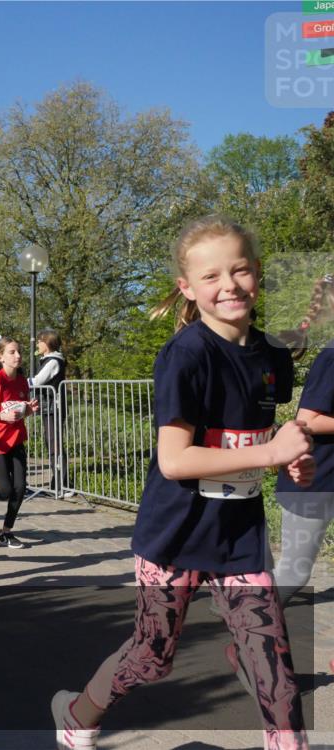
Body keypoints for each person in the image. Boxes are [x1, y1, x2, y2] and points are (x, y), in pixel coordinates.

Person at [52, 215, 314, 750]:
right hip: (174, 535)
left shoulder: (270, 357)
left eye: (240, 270)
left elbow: (256, 436)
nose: (229, 285)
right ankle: (78, 714)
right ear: (188, 289)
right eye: (212, 276)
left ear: (258, 273)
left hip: (238, 537)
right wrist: (271, 454)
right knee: (151, 656)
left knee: (271, 657)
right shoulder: (186, 356)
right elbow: (174, 460)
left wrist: (290, 461)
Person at [272, 274, 334, 606]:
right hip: (312, 480)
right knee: (294, 574)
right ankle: (242, 613)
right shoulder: (332, 356)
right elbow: (309, 419)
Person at [0, 338, 40, 548]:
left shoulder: (22, 381)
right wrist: (3, 417)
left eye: (19, 352)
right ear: (1, 357)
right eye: (12, 352)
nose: (18, 356)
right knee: (5, 490)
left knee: (20, 488)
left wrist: (28, 410)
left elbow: (19, 410)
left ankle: (6, 532)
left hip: (17, 439)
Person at [29, 330, 68, 496]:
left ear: (48, 343)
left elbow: (38, 381)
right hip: (50, 407)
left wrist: (14, 382)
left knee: (55, 444)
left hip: (54, 408)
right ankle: (57, 482)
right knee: (51, 443)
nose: (37, 344)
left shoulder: (53, 361)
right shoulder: (48, 360)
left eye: (40, 341)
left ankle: (63, 483)